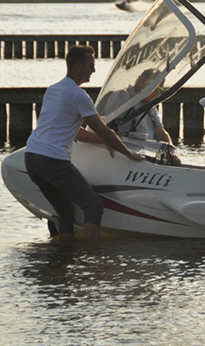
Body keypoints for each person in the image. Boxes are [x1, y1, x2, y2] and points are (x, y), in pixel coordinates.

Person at [24, 45, 145, 243]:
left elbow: (75, 131)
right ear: (78, 66)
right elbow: (104, 130)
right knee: (93, 206)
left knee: (64, 209)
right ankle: (92, 260)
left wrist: (104, 141)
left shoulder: (53, 90)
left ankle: (65, 257)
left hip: (32, 158)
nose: (94, 70)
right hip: (53, 160)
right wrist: (128, 154)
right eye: (91, 65)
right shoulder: (78, 95)